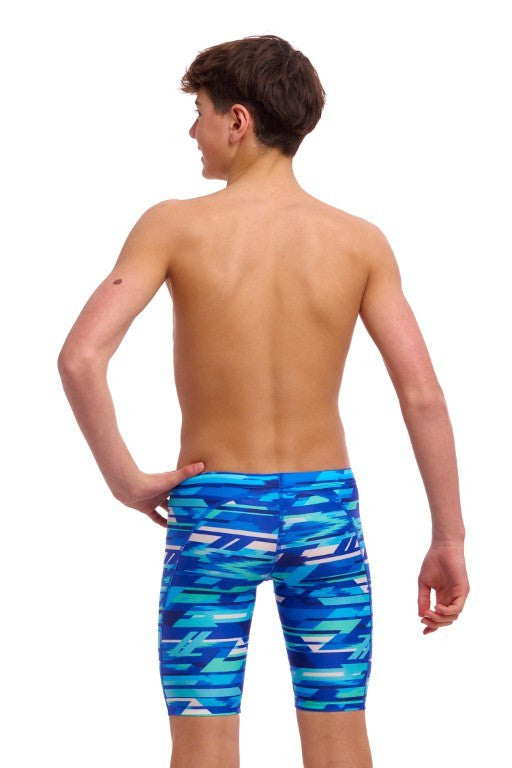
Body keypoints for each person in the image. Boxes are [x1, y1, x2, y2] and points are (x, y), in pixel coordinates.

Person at [58, 33, 469, 768]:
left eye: (200, 112)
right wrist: (449, 539)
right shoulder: (359, 242)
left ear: (238, 121)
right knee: (341, 739)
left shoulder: (174, 225)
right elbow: (423, 396)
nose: (193, 131)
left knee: (203, 742)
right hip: (324, 513)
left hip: (215, 509)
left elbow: (81, 356)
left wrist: (125, 480)